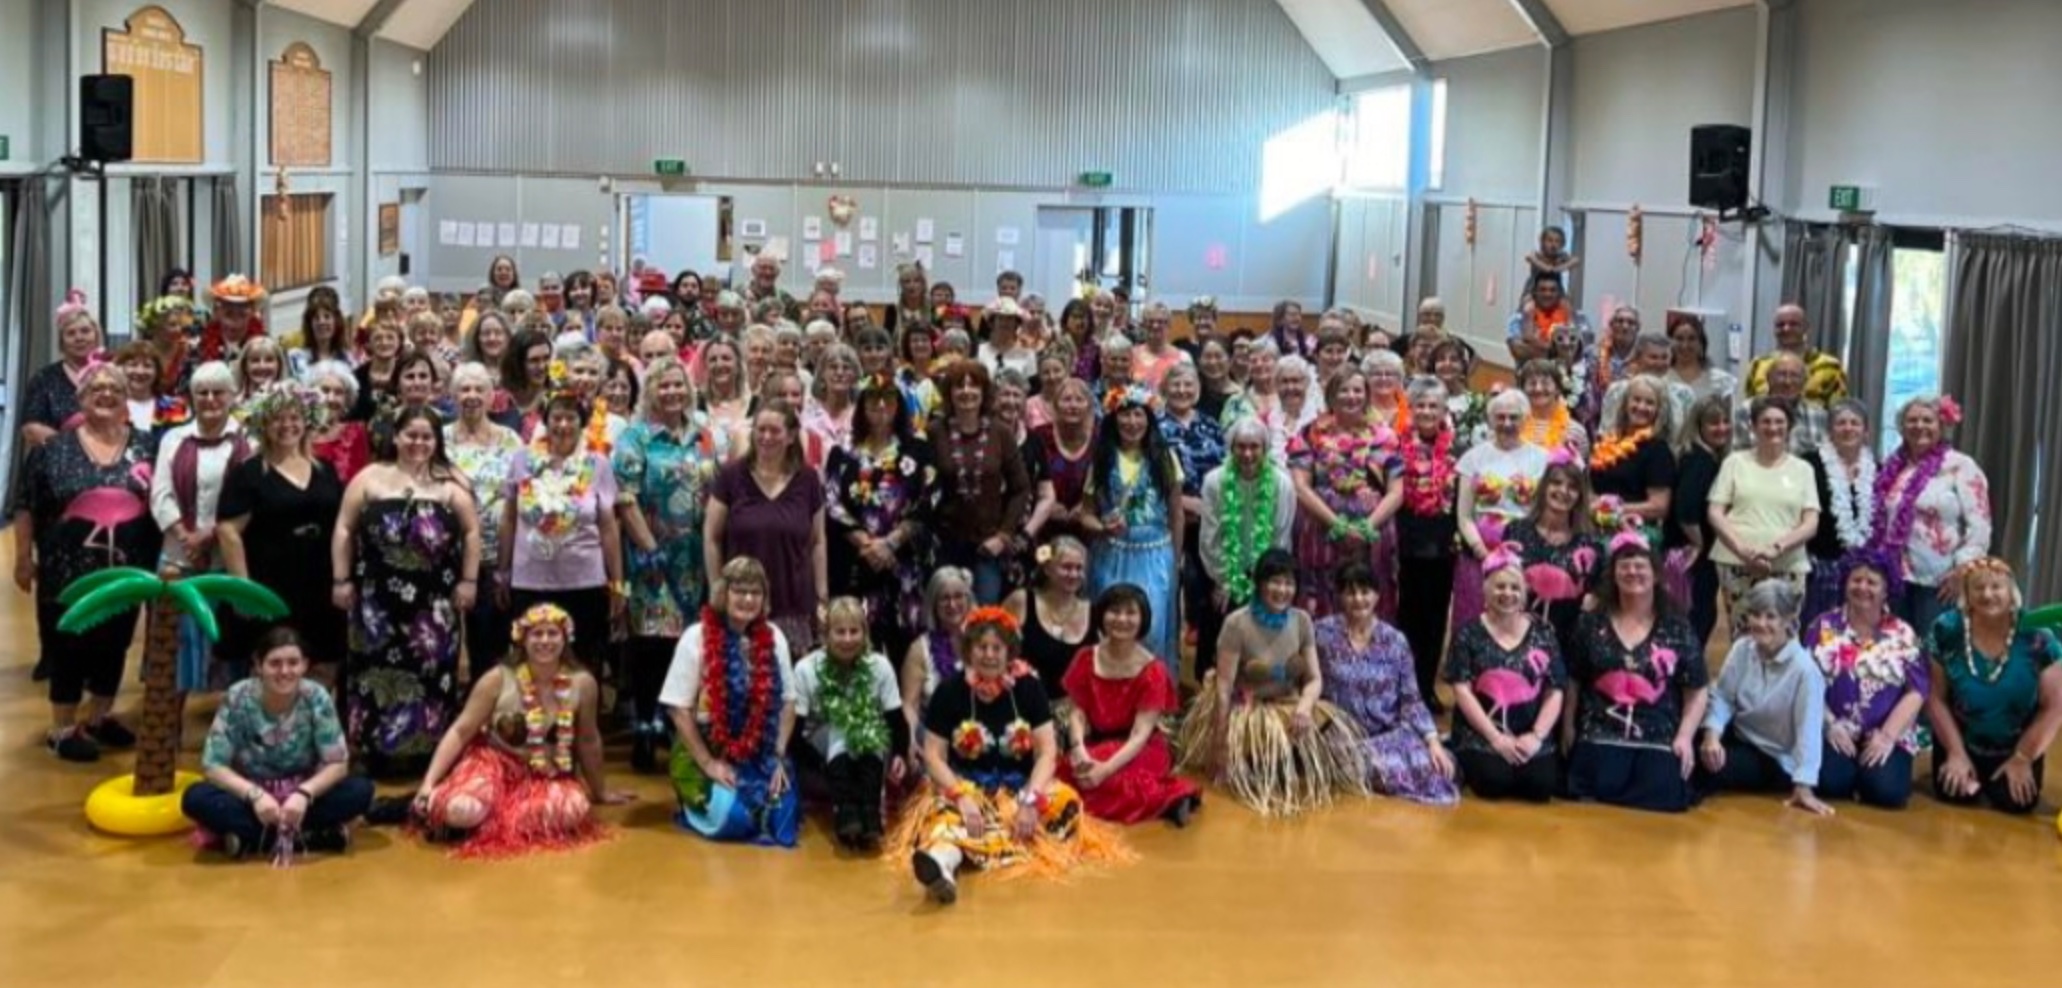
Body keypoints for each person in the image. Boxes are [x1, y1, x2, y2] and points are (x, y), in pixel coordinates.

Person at [893, 606, 1126, 905]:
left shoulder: (1028, 688)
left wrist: (1031, 800)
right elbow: (934, 755)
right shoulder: (949, 690)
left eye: (997, 648)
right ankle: (943, 864)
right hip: (964, 783)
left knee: (1065, 803)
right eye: (981, 647)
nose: (989, 655)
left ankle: (978, 843)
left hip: (1019, 786)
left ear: (1009, 652)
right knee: (941, 815)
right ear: (968, 650)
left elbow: (1046, 752)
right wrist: (961, 796)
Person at [13, 362, 160, 760]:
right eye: (97, 388)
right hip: (66, 570)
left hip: (126, 569)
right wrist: (23, 557)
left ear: (125, 398)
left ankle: (99, 716)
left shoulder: (148, 445)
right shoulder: (53, 450)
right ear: (81, 399)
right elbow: (26, 504)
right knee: (68, 644)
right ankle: (62, 727)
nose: (106, 394)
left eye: (115, 387)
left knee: (114, 643)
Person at [331, 405, 482, 776]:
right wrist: (341, 579)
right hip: (375, 600)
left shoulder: (451, 482)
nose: (418, 443)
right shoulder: (369, 477)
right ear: (395, 436)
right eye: (411, 435)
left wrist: (469, 580)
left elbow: (472, 532)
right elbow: (344, 529)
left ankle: (429, 754)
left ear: (437, 441)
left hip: (433, 601)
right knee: (373, 671)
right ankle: (372, 750)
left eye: (427, 436)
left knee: (430, 673)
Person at [413, 604, 627, 857]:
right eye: (536, 634)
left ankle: (494, 817)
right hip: (493, 766)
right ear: (522, 639)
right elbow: (461, 731)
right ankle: (456, 806)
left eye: (552, 633)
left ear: (565, 638)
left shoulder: (583, 683)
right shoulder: (497, 678)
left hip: (546, 775)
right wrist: (428, 783)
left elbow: (588, 740)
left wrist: (599, 790)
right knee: (461, 810)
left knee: (573, 810)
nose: (544, 641)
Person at [1178, 549, 1370, 817]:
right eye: (1275, 582)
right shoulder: (1237, 623)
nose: (1283, 590)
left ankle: (1283, 757)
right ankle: (1260, 759)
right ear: (1259, 584)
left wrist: (1304, 707)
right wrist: (1219, 744)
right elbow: (1223, 688)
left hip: (1288, 705)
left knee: (1328, 743)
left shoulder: (1301, 620)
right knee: (1260, 765)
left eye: (1289, 583)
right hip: (1246, 709)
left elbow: (1314, 679)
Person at [613, 355, 731, 771]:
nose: (672, 393)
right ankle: (646, 726)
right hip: (652, 561)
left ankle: (676, 729)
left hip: (698, 560)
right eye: (663, 386)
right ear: (650, 391)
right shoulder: (636, 437)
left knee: (690, 644)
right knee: (651, 644)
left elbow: (722, 492)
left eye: (678, 385)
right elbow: (624, 499)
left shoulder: (706, 435)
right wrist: (650, 550)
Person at [182, 628, 374, 860]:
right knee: (194, 798)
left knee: (361, 791)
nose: (284, 671)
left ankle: (252, 839)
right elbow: (213, 765)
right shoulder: (238, 697)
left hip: (303, 795)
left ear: (305, 665)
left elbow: (338, 763)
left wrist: (304, 794)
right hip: (251, 796)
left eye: (293, 663)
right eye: (275, 663)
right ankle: (314, 837)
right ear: (258, 665)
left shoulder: (317, 697)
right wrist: (254, 795)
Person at [1564, 535, 1710, 813]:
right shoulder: (1591, 622)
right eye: (1624, 565)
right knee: (1601, 783)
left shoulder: (1677, 626)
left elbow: (1698, 687)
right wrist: (1569, 725)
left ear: (1655, 574)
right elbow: (1573, 676)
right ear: (1613, 574)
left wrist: (1684, 736)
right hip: (1601, 729)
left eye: (1640, 565)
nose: (1632, 571)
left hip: (1657, 732)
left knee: (1662, 792)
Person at [661, 557, 801, 846]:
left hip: (762, 751)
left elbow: (788, 702)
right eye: (740, 590)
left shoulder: (775, 636)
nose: (748, 599)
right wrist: (709, 763)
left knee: (782, 818)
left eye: (756, 592)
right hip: (706, 747)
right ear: (723, 593)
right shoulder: (696, 636)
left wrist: (777, 755)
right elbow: (678, 709)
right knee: (736, 819)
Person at [217, 382, 346, 684]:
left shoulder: (325, 469)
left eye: (294, 417)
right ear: (264, 424)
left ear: (307, 420)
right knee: (273, 666)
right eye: (278, 418)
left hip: (320, 584)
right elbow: (228, 531)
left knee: (324, 664)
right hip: (270, 586)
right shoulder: (248, 473)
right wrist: (243, 590)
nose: (287, 425)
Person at [497, 381, 624, 670]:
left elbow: (608, 527)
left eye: (571, 418)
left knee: (583, 663)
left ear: (582, 423)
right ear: (546, 421)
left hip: (585, 583)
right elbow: (508, 519)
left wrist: (618, 584)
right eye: (556, 417)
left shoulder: (597, 464)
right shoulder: (523, 460)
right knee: (530, 663)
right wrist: (502, 572)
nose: (563, 424)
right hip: (530, 581)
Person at [1924, 558, 2062, 815]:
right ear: (1966, 593)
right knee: (1954, 794)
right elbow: (1934, 696)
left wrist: (2023, 758)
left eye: (1996, 587)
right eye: (1978, 587)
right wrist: (1955, 752)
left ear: (2011, 592)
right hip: (1961, 739)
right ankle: (1961, 761)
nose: (1987, 594)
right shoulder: (1946, 629)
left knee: (2015, 802)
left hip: (2017, 743)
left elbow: (2054, 707)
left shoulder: (2039, 636)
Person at [1315, 563, 1459, 805]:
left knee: (1436, 766)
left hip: (1388, 734)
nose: (1358, 599)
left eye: (1365, 591)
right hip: (1339, 736)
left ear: (1377, 595)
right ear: (1340, 596)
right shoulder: (1321, 633)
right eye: (1350, 592)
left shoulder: (1395, 641)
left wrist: (1432, 741)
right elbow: (1306, 678)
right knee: (1359, 765)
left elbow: (1411, 699)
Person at [1058, 584, 1202, 825]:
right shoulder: (1085, 657)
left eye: (1130, 613)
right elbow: (1077, 713)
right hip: (1096, 741)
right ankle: (1160, 801)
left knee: (1108, 781)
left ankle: (1172, 797)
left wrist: (1104, 770)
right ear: (1102, 615)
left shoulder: (1153, 670)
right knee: (1068, 774)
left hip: (1141, 747)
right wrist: (1078, 749)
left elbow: (1139, 735)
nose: (1121, 619)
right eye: (1114, 611)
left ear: (1142, 619)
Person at [150, 362, 249, 694]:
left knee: (229, 648)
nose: (209, 399)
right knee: (173, 647)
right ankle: (168, 728)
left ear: (232, 396)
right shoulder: (173, 438)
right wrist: (186, 536)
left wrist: (209, 534)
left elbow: (251, 498)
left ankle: (230, 726)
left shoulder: (250, 441)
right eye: (201, 393)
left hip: (227, 560)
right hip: (178, 558)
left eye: (218, 392)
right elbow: (160, 494)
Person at [1696, 579, 1834, 815]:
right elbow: (1723, 698)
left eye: (1770, 616)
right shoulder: (1742, 648)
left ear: (1789, 620)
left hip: (1775, 756)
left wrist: (1803, 786)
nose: (1760, 624)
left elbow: (1808, 732)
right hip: (1741, 735)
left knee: (1706, 770)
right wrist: (1711, 736)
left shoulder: (1805, 671)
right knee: (1693, 748)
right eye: (1755, 615)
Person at [825, 372, 937, 662]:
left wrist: (890, 542)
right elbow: (832, 502)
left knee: (907, 645)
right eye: (872, 399)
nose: (881, 406)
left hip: (904, 567)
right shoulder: (843, 454)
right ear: (861, 406)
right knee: (858, 648)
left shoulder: (919, 450)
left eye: (888, 398)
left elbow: (929, 498)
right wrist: (867, 543)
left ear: (899, 405)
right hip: (857, 566)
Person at [1807, 548, 1927, 809]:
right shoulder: (1822, 626)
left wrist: (1887, 735)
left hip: (1884, 731)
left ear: (1886, 590)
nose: (1863, 587)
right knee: (1830, 784)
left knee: (1887, 793)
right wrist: (1829, 725)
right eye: (1856, 580)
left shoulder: (1902, 632)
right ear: (1845, 584)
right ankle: (1850, 770)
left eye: (1872, 582)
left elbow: (1916, 690)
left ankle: (1869, 772)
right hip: (1836, 727)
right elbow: (1806, 682)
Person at [1445, 547, 1566, 801]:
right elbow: (1462, 690)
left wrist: (1536, 736)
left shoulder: (1543, 633)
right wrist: (1496, 738)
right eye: (1500, 587)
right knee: (1494, 781)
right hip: (1483, 732)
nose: (1507, 594)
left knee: (1540, 786)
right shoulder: (1468, 633)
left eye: (1514, 587)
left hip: (1529, 729)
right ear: (1486, 591)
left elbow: (1555, 689)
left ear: (1524, 594)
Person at [1079, 385, 1184, 668]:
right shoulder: (1101, 460)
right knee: (1110, 625)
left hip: (1155, 556)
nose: (1132, 422)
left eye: (1138, 415)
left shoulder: (1165, 458)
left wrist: (1175, 558)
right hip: (1110, 555)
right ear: (1114, 420)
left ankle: (1150, 698)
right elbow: (1085, 514)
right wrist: (1102, 527)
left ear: (1148, 419)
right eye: (1125, 415)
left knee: (1151, 626)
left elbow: (1176, 512)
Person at [793, 598, 909, 849]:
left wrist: (900, 752)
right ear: (826, 635)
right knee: (842, 727)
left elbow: (895, 719)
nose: (847, 639)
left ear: (864, 633)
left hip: (870, 741)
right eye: (840, 632)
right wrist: (818, 764)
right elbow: (795, 732)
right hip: (821, 743)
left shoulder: (879, 666)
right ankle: (845, 812)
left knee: (865, 724)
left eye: (854, 631)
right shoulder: (806, 669)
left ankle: (869, 813)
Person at [1288, 369, 1402, 620]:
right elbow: (1301, 486)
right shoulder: (1310, 433)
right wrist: (1337, 524)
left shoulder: (1385, 436)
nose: (1351, 396)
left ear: (1366, 395)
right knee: (1322, 597)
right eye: (1344, 390)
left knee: (1368, 592)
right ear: (1331, 396)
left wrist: (1364, 528)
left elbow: (1396, 492)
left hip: (1373, 533)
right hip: (1321, 529)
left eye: (1357, 390)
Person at [1872, 396, 1991, 633]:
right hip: (1895, 576)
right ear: (1902, 427)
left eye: (1928, 420)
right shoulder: (1893, 467)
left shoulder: (1960, 465)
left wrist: (1963, 569)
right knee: (1897, 648)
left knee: (1933, 651)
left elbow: (1980, 524)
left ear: (1941, 425)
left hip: (1940, 580)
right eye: (1912, 420)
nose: (1919, 426)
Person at [1707, 396, 1820, 637]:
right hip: (1736, 562)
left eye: (1779, 421)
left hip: (1788, 563)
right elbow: (1715, 512)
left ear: (1789, 426)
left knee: (1784, 637)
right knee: (1743, 636)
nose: (1773, 427)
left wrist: (1776, 548)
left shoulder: (1803, 469)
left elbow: (1810, 522)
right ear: (1753, 426)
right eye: (1765, 421)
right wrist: (1743, 550)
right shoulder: (1734, 462)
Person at [1197, 418, 1297, 683]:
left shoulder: (1281, 483)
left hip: (1267, 576)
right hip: (1225, 575)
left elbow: (1280, 538)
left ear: (1265, 449)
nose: (1248, 454)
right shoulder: (1215, 482)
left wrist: (1265, 584)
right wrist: (1225, 579)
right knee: (1221, 618)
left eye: (1255, 447)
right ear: (1231, 449)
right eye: (1241, 447)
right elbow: (1210, 537)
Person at [442, 363, 524, 679]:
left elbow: (521, 494)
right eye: (464, 389)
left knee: (490, 645)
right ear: (452, 396)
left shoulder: (511, 440)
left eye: (479, 390)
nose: (472, 396)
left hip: (495, 557)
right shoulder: (440, 438)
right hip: (449, 554)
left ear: (492, 397)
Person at [927, 360, 1032, 605]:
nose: (966, 392)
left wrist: (1004, 535)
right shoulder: (934, 432)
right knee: (947, 613)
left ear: (984, 392)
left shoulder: (1001, 433)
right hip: (946, 544)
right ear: (948, 393)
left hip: (988, 546)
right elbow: (924, 488)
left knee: (984, 614)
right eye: (958, 386)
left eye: (973, 386)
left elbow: (1021, 488)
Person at [1451, 390, 1549, 628]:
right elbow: (1464, 515)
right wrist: (1481, 552)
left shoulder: (1542, 458)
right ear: (1491, 419)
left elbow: (1545, 512)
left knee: (1515, 614)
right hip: (1479, 553)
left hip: (1524, 551)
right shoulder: (1473, 458)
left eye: (1514, 417)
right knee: (1473, 615)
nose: (1507, 423)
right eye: (1500, 417)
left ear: (1525, 419)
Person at [1392, 376, 1460, 704]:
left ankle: (1426, 686)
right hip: (1406, 540)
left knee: (1435, 619)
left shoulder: (1458, 448)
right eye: (1421, 405)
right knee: (1407, 617)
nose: (1427, 411)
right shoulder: (1395, 444)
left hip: (1443, 543)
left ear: (1444, 410)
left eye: (1434, 405)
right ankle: (1404, 686)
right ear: (1411, 408)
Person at [1506, 461, 1604, 659]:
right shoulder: (1516, 531)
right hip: (1516, 638)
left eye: (1573, 487)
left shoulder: (1590, 544)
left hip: (1568, 643)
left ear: (1580, 496)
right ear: (1544, 487)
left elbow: (1593, 599)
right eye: (1556, 483)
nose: (1563, 491)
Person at [1800, 400, 1878, 629]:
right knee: (1818, 631)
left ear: (1866, 431)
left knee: (1857, 632)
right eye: (1841, 423)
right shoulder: (1810, 463)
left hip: (1862, 570)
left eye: (1855, 423)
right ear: (1830, 430)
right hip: (1819, 567)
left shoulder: (1878, 468)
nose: (1848, 428)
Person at [1672, 395, 1733, 647]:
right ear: (1698, 427)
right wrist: (1697, 543)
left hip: (1698, 557)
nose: (1722, 428)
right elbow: (1686, 510)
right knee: (1696, 620)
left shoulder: (1706, 456)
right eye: (1713, 423)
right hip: (1693, 559)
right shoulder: (1700, 459)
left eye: (1726, 421)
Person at [17, 293, 104, 449]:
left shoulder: (110, 374)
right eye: (71, 333)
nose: (79, 338)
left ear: (96, 336)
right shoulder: (44, 378)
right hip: (53, 464)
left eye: (85, 331)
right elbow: (30, 429)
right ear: (61, 343)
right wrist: (76, 451)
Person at [901, 567, 975, 744]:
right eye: (944, 598)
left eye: (958, 596)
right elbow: (910, 706)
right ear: (933, 604)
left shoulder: (984, 640)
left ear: (968, 599)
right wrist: (910, 740)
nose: (952, 604)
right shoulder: (919, 649)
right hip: (936, 737)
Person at [1744, 304, 1848, 408]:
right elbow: (1749, 408)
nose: (1786, 329)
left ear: (1806, 328)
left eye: (1793, 324)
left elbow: (1839, 412)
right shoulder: (1758, 365)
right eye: (1780, 325)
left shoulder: (1830, 366)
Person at [1731, 352, 1827, 454]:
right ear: (1768, 378)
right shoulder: (1746, 410)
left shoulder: (1819, 415)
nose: (1787, 382)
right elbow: (1737, 453)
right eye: (1781, 375)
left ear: (1804, 381)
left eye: (1794, 376)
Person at [306, 360, 373, 484]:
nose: (331, 399)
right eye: (325, 390)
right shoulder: (298, 434)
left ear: (346, 401)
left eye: (338, 392)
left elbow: (364, 481)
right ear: (311, 396)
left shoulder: (357, 432)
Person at [1505, 275, 1589, 366]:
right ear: (1535, 293)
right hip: (1541, 359)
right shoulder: (1531, 310)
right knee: (1515, 344)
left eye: (1552, 290)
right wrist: (1528, 316)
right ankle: (1552, 361)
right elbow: (1527, 337)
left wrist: (1569, 313)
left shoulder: (1565, 308)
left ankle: (1554, 361)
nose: (1547, 294)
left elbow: (1575, 336)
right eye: (1543, 290)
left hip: (1563, 353)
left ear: (1559, 293)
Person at [1516, 358, 1590, 457]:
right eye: (1532, 383)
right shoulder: (1511, 425)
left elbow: (1579, 471)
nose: (1538, 388)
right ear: (1523, 389)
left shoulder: (1575, 431)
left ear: (1558, 389)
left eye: (1545, 383)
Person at [1664, 312, 1736, 405]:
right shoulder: (1662, 379)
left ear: (1701, 343)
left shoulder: (1723, 381)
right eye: (1679, 338)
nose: (1685, 345)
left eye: (1692, 339)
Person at [199, 275, 268, 364]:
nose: (235, 323)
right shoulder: (200, 346)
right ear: (216, 312)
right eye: (229, 314)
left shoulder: (265, 344)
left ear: (252, 313)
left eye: (242, 314)